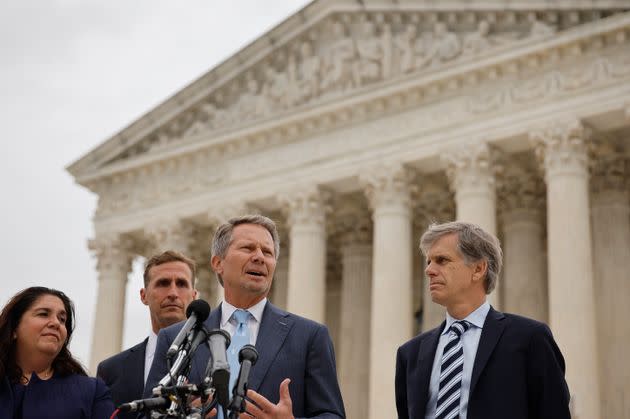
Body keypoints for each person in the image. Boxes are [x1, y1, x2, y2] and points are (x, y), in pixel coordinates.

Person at [145, 214, 345, 418]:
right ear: (218, 263)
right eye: (248, 248)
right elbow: (148, 413)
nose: (259, 257)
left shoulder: (309, 336)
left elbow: (332, 415)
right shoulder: (177, 338)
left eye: (267, 252)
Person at [395, 221, 570, 419]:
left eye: (442, 260)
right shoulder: (410, 354)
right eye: (429, 262)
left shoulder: (530, 339)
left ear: (478, 269)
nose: (429, 270)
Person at [97, 250, 198, 417]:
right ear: (144, 296)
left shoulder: (215, 359)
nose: (173, 293)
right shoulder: (110, 370)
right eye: (163, 283)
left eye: (181, 284)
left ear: (194, 296)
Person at [0, 286, 114, 418]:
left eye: (62, 319)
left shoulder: (92, 391)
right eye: (43, 314)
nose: (55, 323)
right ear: (14, 328)